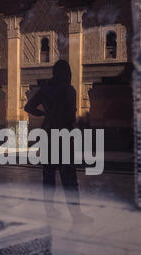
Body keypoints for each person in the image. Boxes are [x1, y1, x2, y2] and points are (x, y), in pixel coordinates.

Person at [24, 59, 93, 224]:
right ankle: (76, 215)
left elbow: (28, 107)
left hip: (47, 132)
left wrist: (44, 115)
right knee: (68, 176)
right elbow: (70, 116)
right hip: (63, 134)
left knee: (48, 175)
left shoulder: (45, 89)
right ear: (67, 73)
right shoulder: (69, 90)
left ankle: (50, 212)